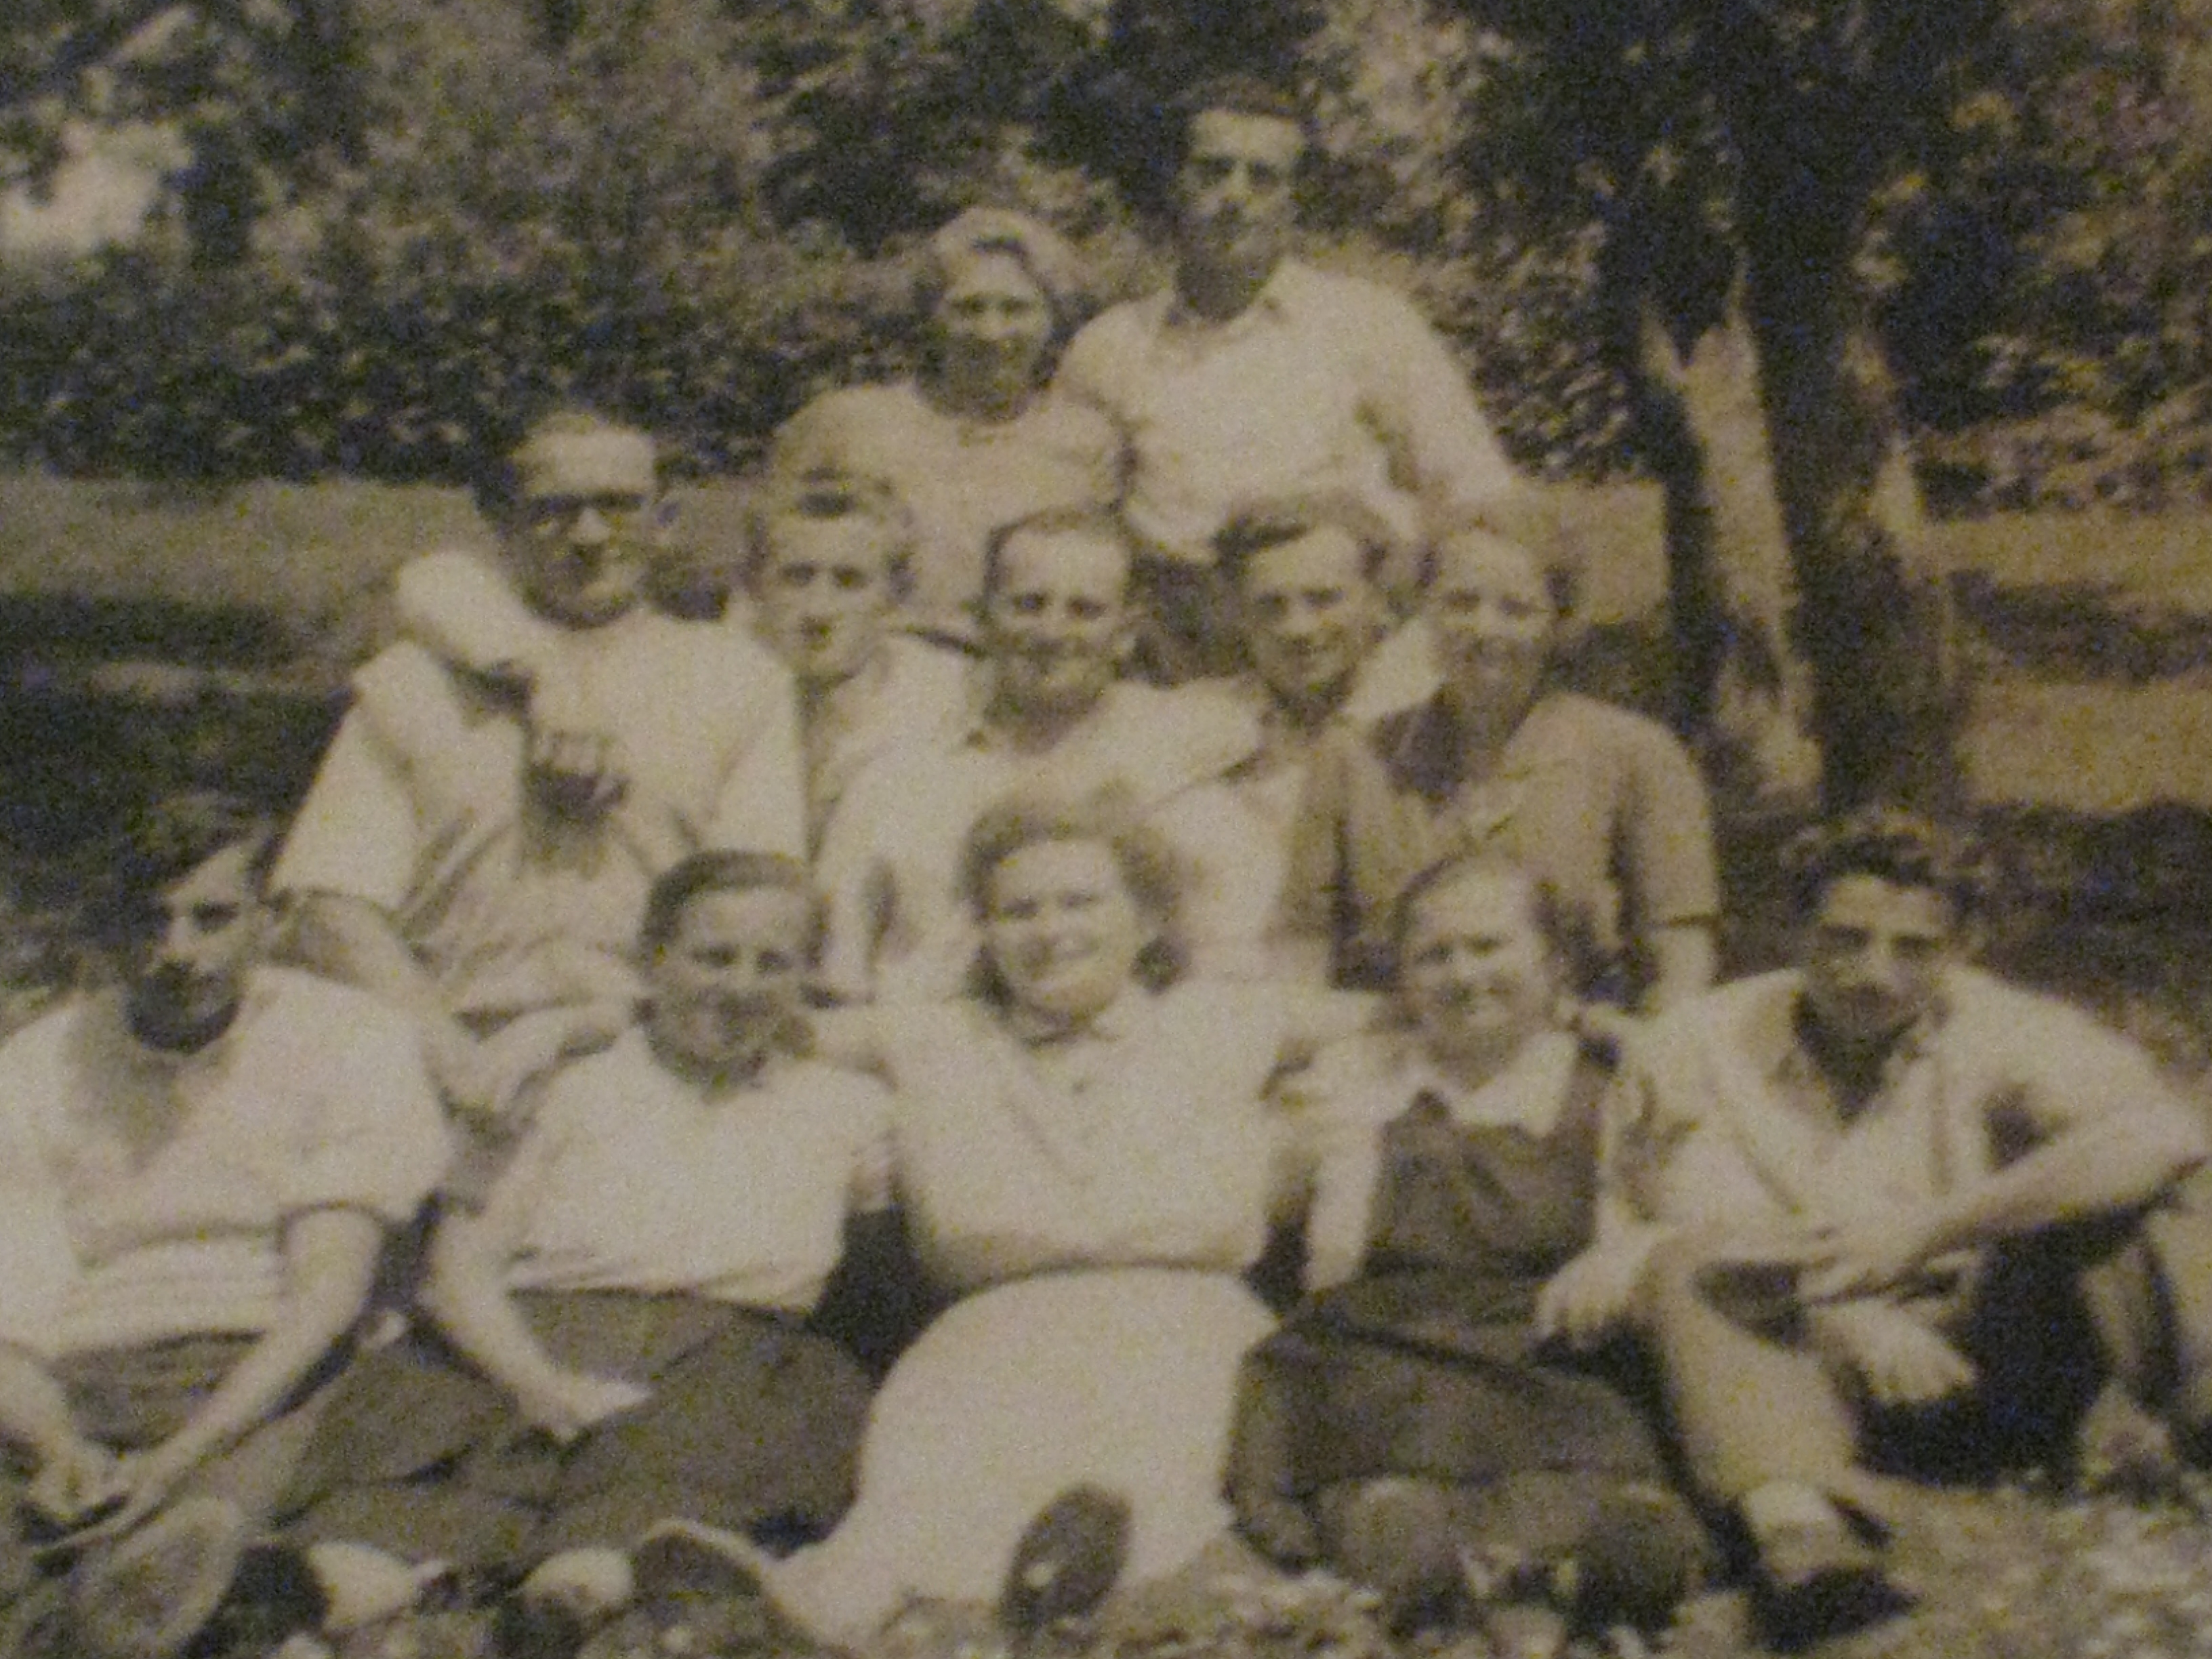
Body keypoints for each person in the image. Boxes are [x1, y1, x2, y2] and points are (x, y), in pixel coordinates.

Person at [678, 786, 1372, 1647]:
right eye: (1019, 910)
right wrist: (568, 1025)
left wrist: (1329, 1128)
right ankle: (820, 1607)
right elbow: (740, 1022)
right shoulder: (932, 1038)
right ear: (986, 930)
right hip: (988, 1336)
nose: (1050, 931)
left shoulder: (1225, 1020)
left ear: (1147, 919)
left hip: (1184, 1327)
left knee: (1141, 1471)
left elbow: (1418, 1011)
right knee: (933, 1476)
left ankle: (1048, 1603)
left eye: (1080, 902)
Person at [1535, 809, 2211, 1643]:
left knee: (2136, 1191)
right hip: (1789, 1372)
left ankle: (2205, 1416)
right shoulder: (1695, 1044)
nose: (1873, 974)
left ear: (1962, 947)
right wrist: (1853, 1321)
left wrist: (1925, 1233)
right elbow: (1697, 1231)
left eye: (1913, 949)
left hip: (1983, 1346)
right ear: (1795, 930)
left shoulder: (2001, 1023)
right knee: (1692, 1263)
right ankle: (1802, 1537)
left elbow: (2166, 1136)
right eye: (1844, 940)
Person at [276, 852, 892, 1659]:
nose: (740, 987)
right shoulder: (560, 1087)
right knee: (382, 1523)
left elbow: (874, 1284)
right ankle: (305, 1606)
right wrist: (538, 1384)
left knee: (641, 1520)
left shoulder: (849, 1109)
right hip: (521, 1341)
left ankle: (559, 1615)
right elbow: (457, 1272)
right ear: (652, 961)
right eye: (713, 957)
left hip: (734, 1358)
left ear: (806, 977)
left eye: (772, 963)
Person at [273, 408, 806, 1187]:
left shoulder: (740, 684)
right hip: (434, 1051)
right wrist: (450, 1055)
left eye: (617, 506)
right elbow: (331, 907)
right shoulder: (411, 684)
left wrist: (573, 1035)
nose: (588, 536)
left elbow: (759, 915)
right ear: (501, 522)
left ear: (665, 520)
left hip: (653, 1053)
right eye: (554, 510)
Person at [0, 792, 447, 1659]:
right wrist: (57, 1445)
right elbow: (11, 1310)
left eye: (212, 918)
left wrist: (179, 1456)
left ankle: (174, 1596)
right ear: (107, 930)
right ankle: (159, 1604)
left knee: (211, 1518)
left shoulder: (353, 1038)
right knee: (53, 1530)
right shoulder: (35, 1066)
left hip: (267, 1371)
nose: (176, 951)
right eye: (148, 920)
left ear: (271, 921)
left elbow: (325, 1299)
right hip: (78, 1379)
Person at [1227, 853, 1710, 1648]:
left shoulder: (1611, 1082)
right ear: (1403, 980)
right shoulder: (1356, 1076)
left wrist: (1623, 1254)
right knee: (1387, 1492)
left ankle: (1597, 1558)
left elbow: (1688, 1220)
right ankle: (1417, 1559)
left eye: (1490, 947)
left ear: (1555, 964)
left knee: (1596, 1474)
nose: (1464, 975)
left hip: (1547, 1344)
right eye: (1434, 956)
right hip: (1381, 1344)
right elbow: (1274, 1220)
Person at [1057, 75, 1518, 677]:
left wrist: (1399, 593)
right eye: (1213, 171)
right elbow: (1069, 520)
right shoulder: (1108, 346)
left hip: (1349, 652)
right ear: (1175, 185)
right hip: (1177, 658)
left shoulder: (1370, 323)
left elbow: (1474, 491)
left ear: (1292, 200)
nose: (1234, 196)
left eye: (1262, 177)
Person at [814, 507, 1256, 1003]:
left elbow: (1227, 981)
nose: (1051, 632)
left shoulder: (1184, 786)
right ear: (982, 618)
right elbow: (839, 978)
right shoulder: (894, 780)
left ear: (1127, 632)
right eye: (1028, 604)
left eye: (1084, 610)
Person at [1278, 519, 1719, 1012]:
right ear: (1424, 611)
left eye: (1516, 610)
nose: (1484, 630)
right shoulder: (1351, 760)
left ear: (1559, 626)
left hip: (1578, 1043)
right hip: (1395, 1041)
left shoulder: (1637, 754)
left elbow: (1680, 960)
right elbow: (1301, 949)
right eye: (1460, 603)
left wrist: (1641, 1049)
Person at [770, 207, 1120, 647]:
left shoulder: (1086, 442)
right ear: (932, 318)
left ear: (1053, 319)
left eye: (1016, 309)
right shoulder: (847, 425)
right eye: (969, 308)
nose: (991, 332)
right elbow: (766, 569)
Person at [1151, 494, 1437, 977]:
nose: (1298, 628)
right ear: (1238, 614)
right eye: (1271, 606)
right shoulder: (1189, 722)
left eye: (1323, 599)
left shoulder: (1419, 722)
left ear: (1376, 601)